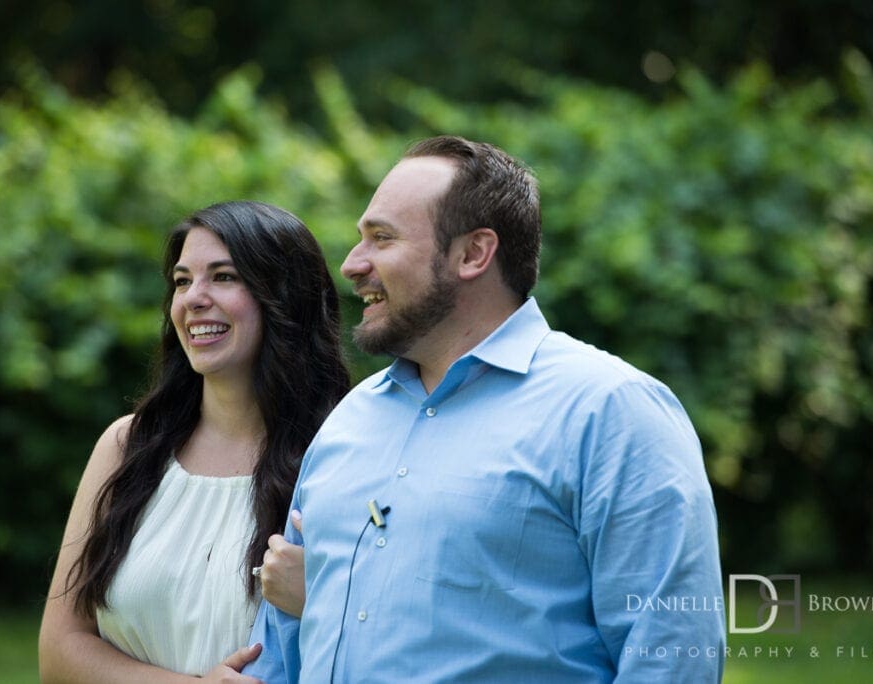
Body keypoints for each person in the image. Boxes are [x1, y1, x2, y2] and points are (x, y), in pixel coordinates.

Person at [246, 136, 726, 682]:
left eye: (382, 238)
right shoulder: (350, 420)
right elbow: (282, 648)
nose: (353, 264)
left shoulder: (611, 411)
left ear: (474, 254)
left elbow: (670, 650)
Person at [38, 201, 349, 683]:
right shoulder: (128, 447)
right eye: (182, 281)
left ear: (285, 296)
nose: (193, 299)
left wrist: (320, 600)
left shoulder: (339, 457)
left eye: (223, 277)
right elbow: (60, 653)